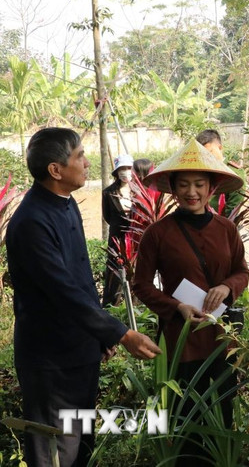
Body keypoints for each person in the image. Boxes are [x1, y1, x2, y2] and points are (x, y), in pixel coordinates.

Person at [8, 127, 160, 467]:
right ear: (56, 170)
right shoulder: (32, 221)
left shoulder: (65, 203)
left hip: (78, 348)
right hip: (51, 358)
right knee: (54, 449)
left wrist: (98, 334)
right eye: (79, 155)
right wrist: (120, 332)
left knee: (79, 443)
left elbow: (81, 280)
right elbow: (63, 291)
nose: (87, 162)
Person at [132, 139, 249, 464]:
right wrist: (176, 307)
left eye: (199, 184)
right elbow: (140, 284)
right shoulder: (157, 233)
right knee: (184, 419)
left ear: (212, 187)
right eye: (183, 184)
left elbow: (242, 271)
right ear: (172, 188)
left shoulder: (227, 229)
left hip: (222, 337)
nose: (192, 191)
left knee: (222, 413)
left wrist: (226, 288)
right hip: (180, 341)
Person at [101, 154, 134, 306]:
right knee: (114, 273)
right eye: (121, 169)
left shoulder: (139, 191)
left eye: (128, 168)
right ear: (116, 172)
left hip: (135, 239)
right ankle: (110, 306)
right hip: (116, 239)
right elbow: (107, 215)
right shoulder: (108, 192)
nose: (125, 172)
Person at [196, 129, 246, 216]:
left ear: (220, 148)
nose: (207, 157)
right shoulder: (201, 172)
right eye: (203, 154)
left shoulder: (234, 172)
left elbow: (233, 207)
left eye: (210, 152)